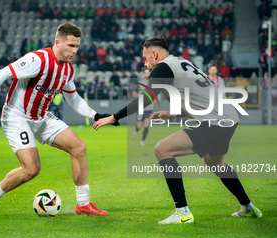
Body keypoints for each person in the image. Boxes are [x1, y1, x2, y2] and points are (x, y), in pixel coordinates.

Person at [93, 36, 262, 224]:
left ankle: (182, 212)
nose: (145, 62)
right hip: (229, 118)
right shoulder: (182, 62)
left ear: (155, 54)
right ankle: (248, 207)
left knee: (162, 149)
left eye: (145, 58)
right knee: (215, 163)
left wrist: (113, 117)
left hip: (215, 121)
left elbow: (146, 98)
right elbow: (200, 98)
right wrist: (172, 114)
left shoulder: (162, 67)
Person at [0, 22, 118, 218]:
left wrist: (95, 115)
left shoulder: (67, 70)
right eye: (70, 46)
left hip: (41, 116)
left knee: (79, 147)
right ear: (57, 42)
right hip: (16, 116)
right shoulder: (38, 60)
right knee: (31, 169)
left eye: (77, 47)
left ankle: (83, 203)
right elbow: (5, 72)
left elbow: (73, 98)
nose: (74, 51)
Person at [131, 68, 153, 146]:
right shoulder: (140, 84)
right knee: (139, 125)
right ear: (144, 74)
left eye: (149, 73)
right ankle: (136, 131)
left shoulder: (152, 84)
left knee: (147, 124)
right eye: (146, 73)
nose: (147, 74)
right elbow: (134, 94)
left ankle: (142, 141)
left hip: (149, 108)